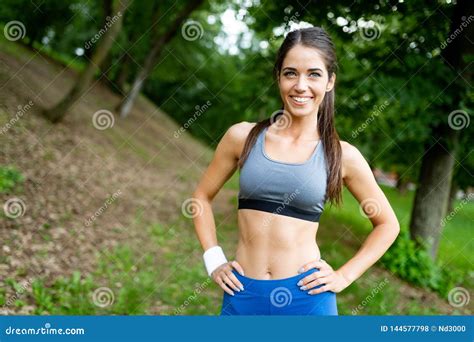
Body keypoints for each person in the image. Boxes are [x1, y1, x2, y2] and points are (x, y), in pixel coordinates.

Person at [192, 26, 400, 315]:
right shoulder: (242, 137)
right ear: (278, 77)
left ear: (330, 82)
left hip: (307, 300)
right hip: (242, 295)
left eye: (314, 74)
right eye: (291, 73)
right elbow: (201, 197)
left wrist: (343, 276)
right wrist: (214, 260)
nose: (301, 85)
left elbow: (388, 225)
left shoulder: (342, 155)